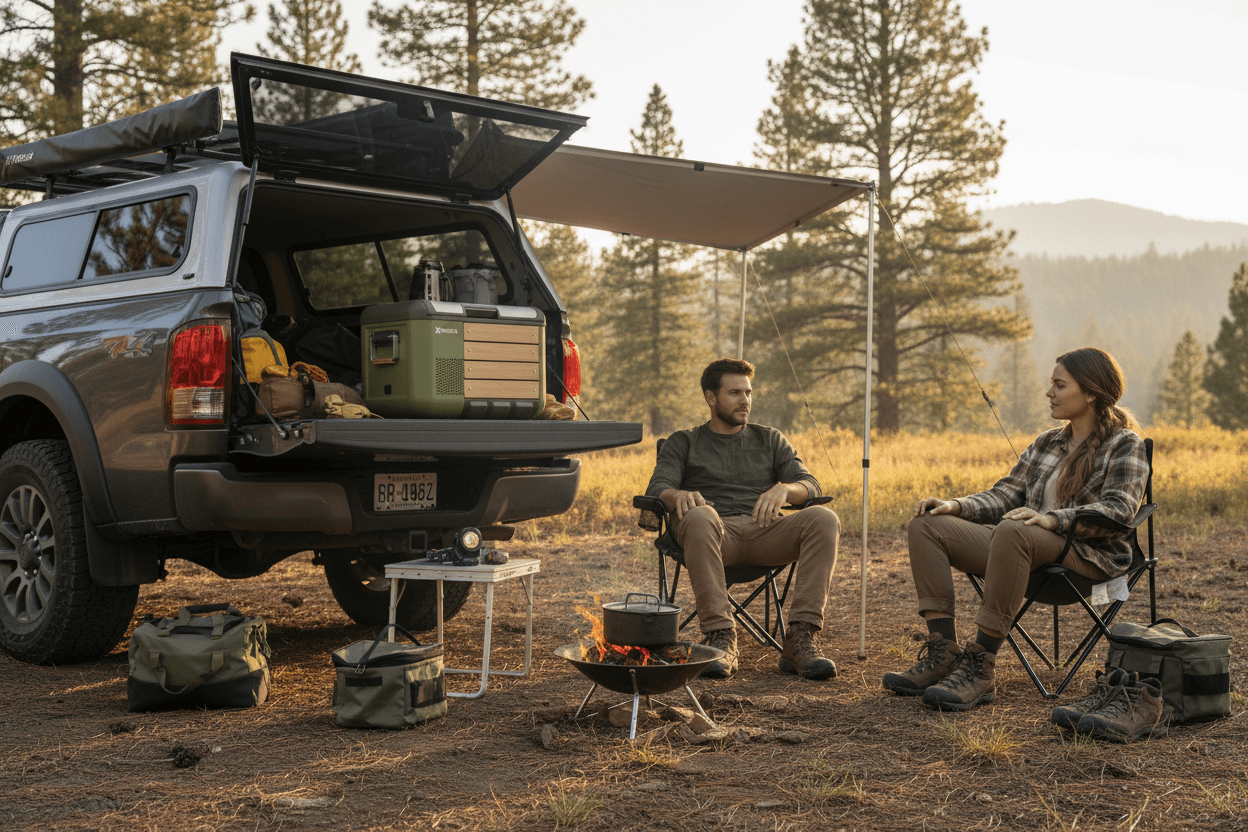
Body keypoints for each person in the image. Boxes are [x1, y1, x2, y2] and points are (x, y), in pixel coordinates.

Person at [882, 347, 1150, 714]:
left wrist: (1054, 519)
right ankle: (943, 655)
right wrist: (955, 506)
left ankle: (980, 667)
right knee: (927, 524)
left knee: (1012, 530)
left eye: (1059, 385)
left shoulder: (1124, 444)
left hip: (1084, 559)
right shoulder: (1046, 442)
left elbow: (1120, 509)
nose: (1049, 393)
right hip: (1021, 551)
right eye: (1050, 384)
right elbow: (1005, 494)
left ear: (1090, 392)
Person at [645, 358, 841, 681]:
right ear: (711, 398)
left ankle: (800, 638)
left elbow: (811, 485)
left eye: (748, 392)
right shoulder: (685, 442)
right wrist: (677, 496)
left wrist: (785, 490)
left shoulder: (770, 439)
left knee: (823, 518)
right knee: (700, 516)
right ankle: (721, 636)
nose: (745, 400)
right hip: (714, 537)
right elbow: (658, 488)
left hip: (766, 531)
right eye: (735, 392)